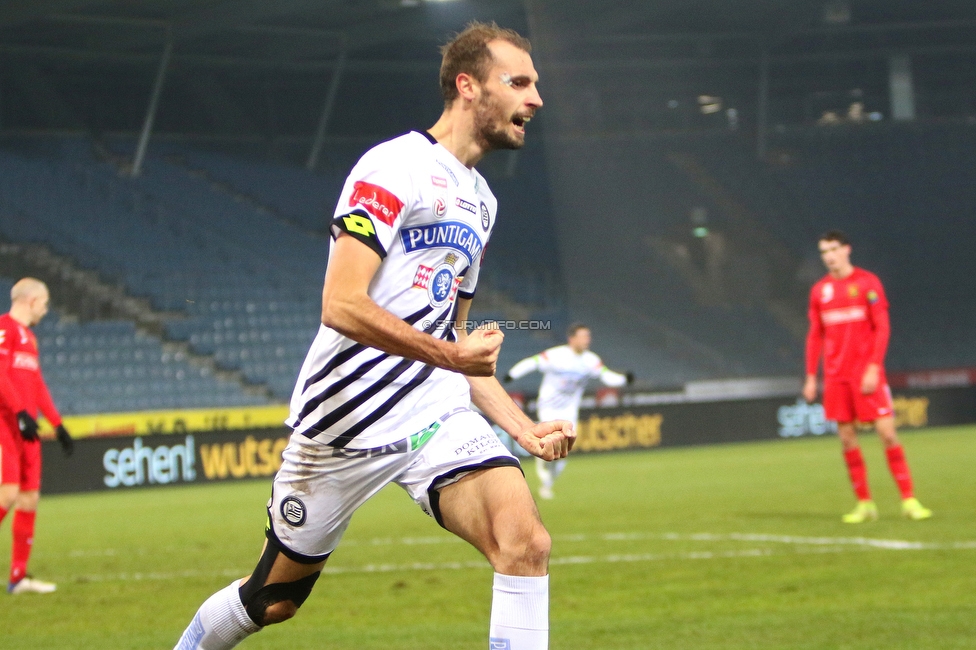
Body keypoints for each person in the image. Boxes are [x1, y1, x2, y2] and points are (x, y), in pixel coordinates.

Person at [174, 22, 573, 650]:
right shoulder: (394, 166)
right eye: (519, 82)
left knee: (524, 541)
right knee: (273, 600)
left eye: (536, 85)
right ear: (468, 87)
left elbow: (456, 342)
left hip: (433, 416)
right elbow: (341, 304)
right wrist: (448, 353)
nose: (536, 99)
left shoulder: (483, 202)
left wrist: (521, 428)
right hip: (343, 422)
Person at [803, 231, 931, 523]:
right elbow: (815, 337)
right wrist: (811, 376)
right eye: (824, 252)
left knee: (887, 433)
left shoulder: (867, 283)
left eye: (834, 249)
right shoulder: (819, 291)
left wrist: (874, 367)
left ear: (847, 249)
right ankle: (865, 504)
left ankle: (909, 500)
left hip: (865, 373)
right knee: (847, 440)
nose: (829, 256)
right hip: (836, 377)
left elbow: (882, 327)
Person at [0, 278, 73, 594]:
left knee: (30, 497)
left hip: (28, 427)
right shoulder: (4, 328)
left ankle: (18, 577)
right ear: (31, 301)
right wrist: (18, 411)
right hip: (6, 423)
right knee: (8, 492)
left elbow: (37, 382)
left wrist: (57, 424)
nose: (45, 309)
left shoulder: (30, 338)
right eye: (44, 303)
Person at [504, 323, 632, 499]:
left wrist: (624, 379)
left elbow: (606, 376)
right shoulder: (556, 356)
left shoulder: (591, 360)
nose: (588, 340)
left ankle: (547, 482)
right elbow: (532, 363)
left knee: (564, 451)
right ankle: (544, 473)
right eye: (583, 336)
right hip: (548, 407)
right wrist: (512, 374)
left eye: (588, 336)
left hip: (569, 411)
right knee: (551, 443)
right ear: (572, 339)